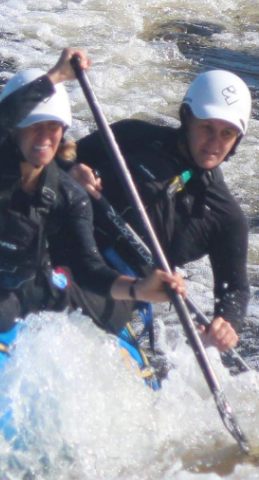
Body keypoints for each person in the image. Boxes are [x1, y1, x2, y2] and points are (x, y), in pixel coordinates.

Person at [0, 48, 185, 334]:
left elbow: (88, 267)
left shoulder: (68, 194)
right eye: (33, 126)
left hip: (6, 292)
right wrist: (56, 77)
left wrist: (140, 290)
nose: (45, 137)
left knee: (19, 306)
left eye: (53, 127)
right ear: (14, 131)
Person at [68, 70, 251, 352]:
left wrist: (227, 323)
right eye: (207, 128)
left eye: (226, 133)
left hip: (124, 288)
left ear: (237, 139)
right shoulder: (132, 137)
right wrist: (70, 170)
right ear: (187, 118)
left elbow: (235, 291)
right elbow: (57, 157)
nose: (215, 143)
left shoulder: (227, 218)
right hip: (70, 243)